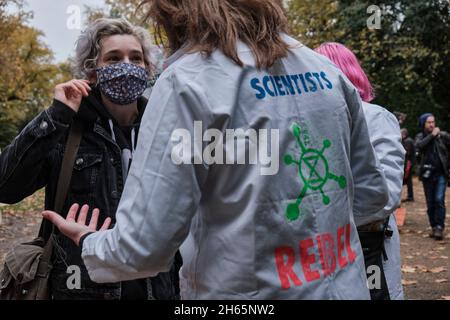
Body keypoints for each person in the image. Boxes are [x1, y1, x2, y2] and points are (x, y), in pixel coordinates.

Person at [43, 0, 389, 299]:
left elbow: (142, 250)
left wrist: (89, 240)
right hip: (345, 287)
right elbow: (371, 198)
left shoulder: (187, 81)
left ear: (174, 12)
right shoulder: (327, 72)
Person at [0, 18, 180, 300]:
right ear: (93, 72)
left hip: (156, 288)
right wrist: (55, 116)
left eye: (136, 58)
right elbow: (6, 186)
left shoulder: (165, 129)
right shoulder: (66, 130)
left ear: (148, 68)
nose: (127, 66)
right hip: (81, 289)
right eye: (113, 58)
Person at [315, 42, 405, 300]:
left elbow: (388, 195)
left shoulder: (376, 118)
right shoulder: (315, 120)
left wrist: (335, 216)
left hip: (369, 244)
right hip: (325, 247)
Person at [415, 113, 450, 240]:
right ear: (423, 124)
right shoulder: (420, 136)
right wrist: (431, 136)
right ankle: (434, 226)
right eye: (428, 122)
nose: (431, 124)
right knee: (430, 203)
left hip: (441, 173)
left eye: (433, 122)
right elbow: (418, 146)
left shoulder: (443, 136)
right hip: (427, 175)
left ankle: (439, 227)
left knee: (439, 199)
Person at [401, 128, 415, 202]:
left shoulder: (408, 141)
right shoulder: (408, 140)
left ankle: (410, 196)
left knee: (407, 180)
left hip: (408, 163)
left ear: (404, 134)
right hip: (409, 162)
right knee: (408, 180)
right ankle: (410, 196)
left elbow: (406, 153)